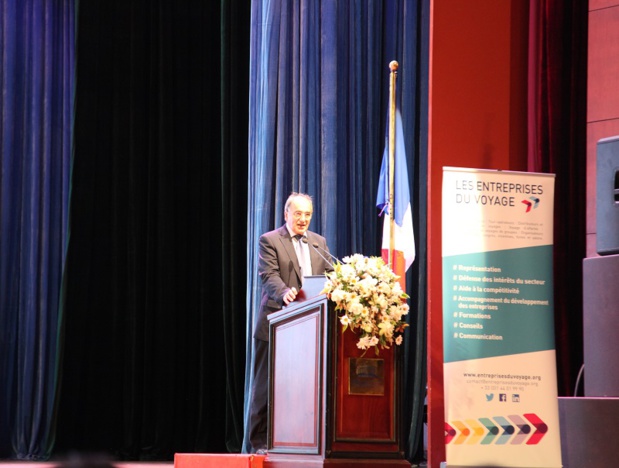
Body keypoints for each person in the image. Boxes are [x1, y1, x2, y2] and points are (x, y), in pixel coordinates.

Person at [248, 192, 334, 454]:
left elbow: (330, 273)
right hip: (276, 323)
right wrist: (285, 292)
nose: (303, 219)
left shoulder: (319, 242)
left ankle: (298, 443)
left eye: (307, 214)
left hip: (311, 327)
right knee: (265, 387)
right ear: (286, 214)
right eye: (298, 213)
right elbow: (269, 275)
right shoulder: (270, 240)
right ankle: (258, 445)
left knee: (303, 389)